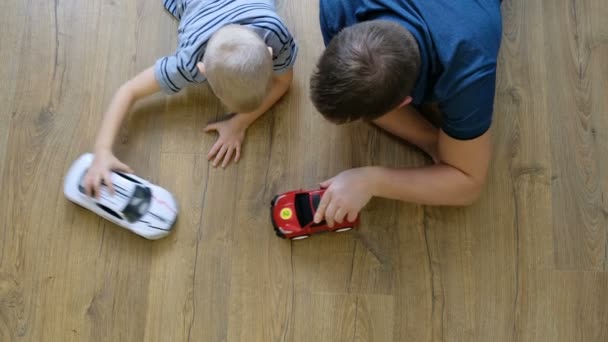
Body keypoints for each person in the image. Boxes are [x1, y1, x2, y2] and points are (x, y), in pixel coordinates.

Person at [309, 0, 503, 226]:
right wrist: (434, 143)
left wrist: (371, 181)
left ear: (404, 102)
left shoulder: (468, 66)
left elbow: (469, 184)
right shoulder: (337, 8)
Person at [84, 0, 297, 197]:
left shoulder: (276, 32)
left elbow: (283, 83)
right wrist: (101, 150)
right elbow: (128, 91)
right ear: (201, 71)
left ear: (270, 54)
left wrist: (239, 122)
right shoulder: (187, 64)